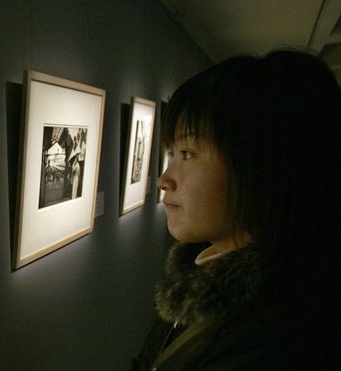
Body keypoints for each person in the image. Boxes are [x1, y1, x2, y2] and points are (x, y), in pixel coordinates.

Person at [130, 50, 341, 369]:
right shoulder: (202, 280)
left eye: (187, 154)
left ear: (263, 168)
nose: (164, 180)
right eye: (170, 154)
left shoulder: (276, 339)